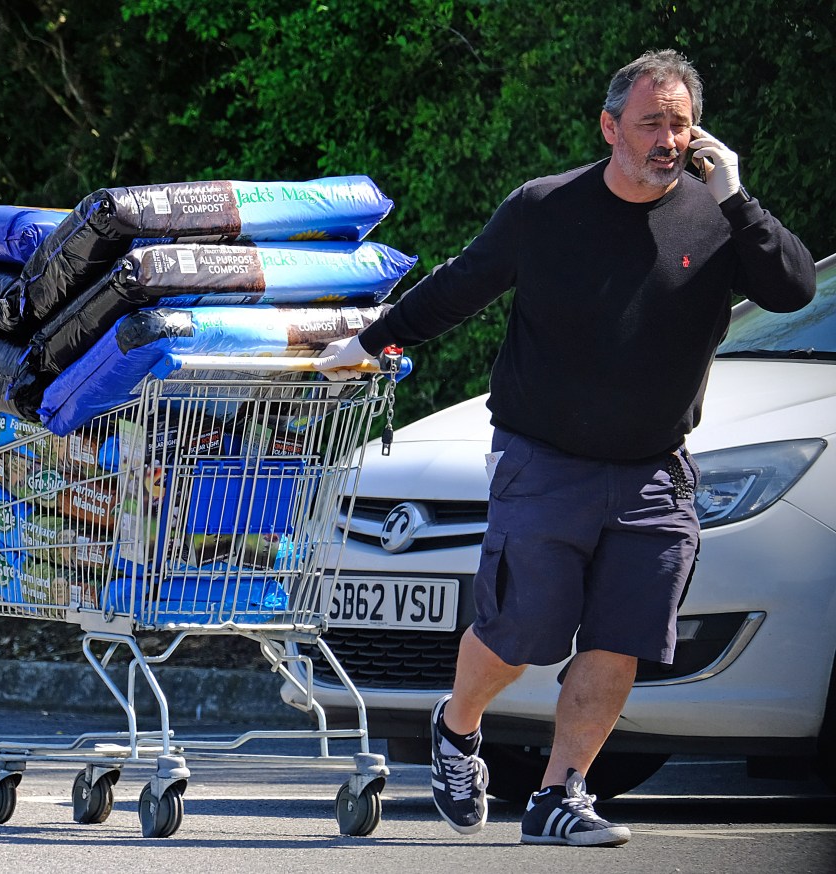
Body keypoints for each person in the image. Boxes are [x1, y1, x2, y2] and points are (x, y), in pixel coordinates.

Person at [312, 48, 815, 846]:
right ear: (610, 125)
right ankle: (459, 724)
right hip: (544, 462)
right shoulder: (544, 208)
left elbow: (793, 289)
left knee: (619, 640)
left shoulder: (719, 219)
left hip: (655, 473)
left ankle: (559, 794)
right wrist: (372, 339)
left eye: (681, 123)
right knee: (521, 633)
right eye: (651, 121)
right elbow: (463, 284)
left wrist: (737, 194)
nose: (669, 139)